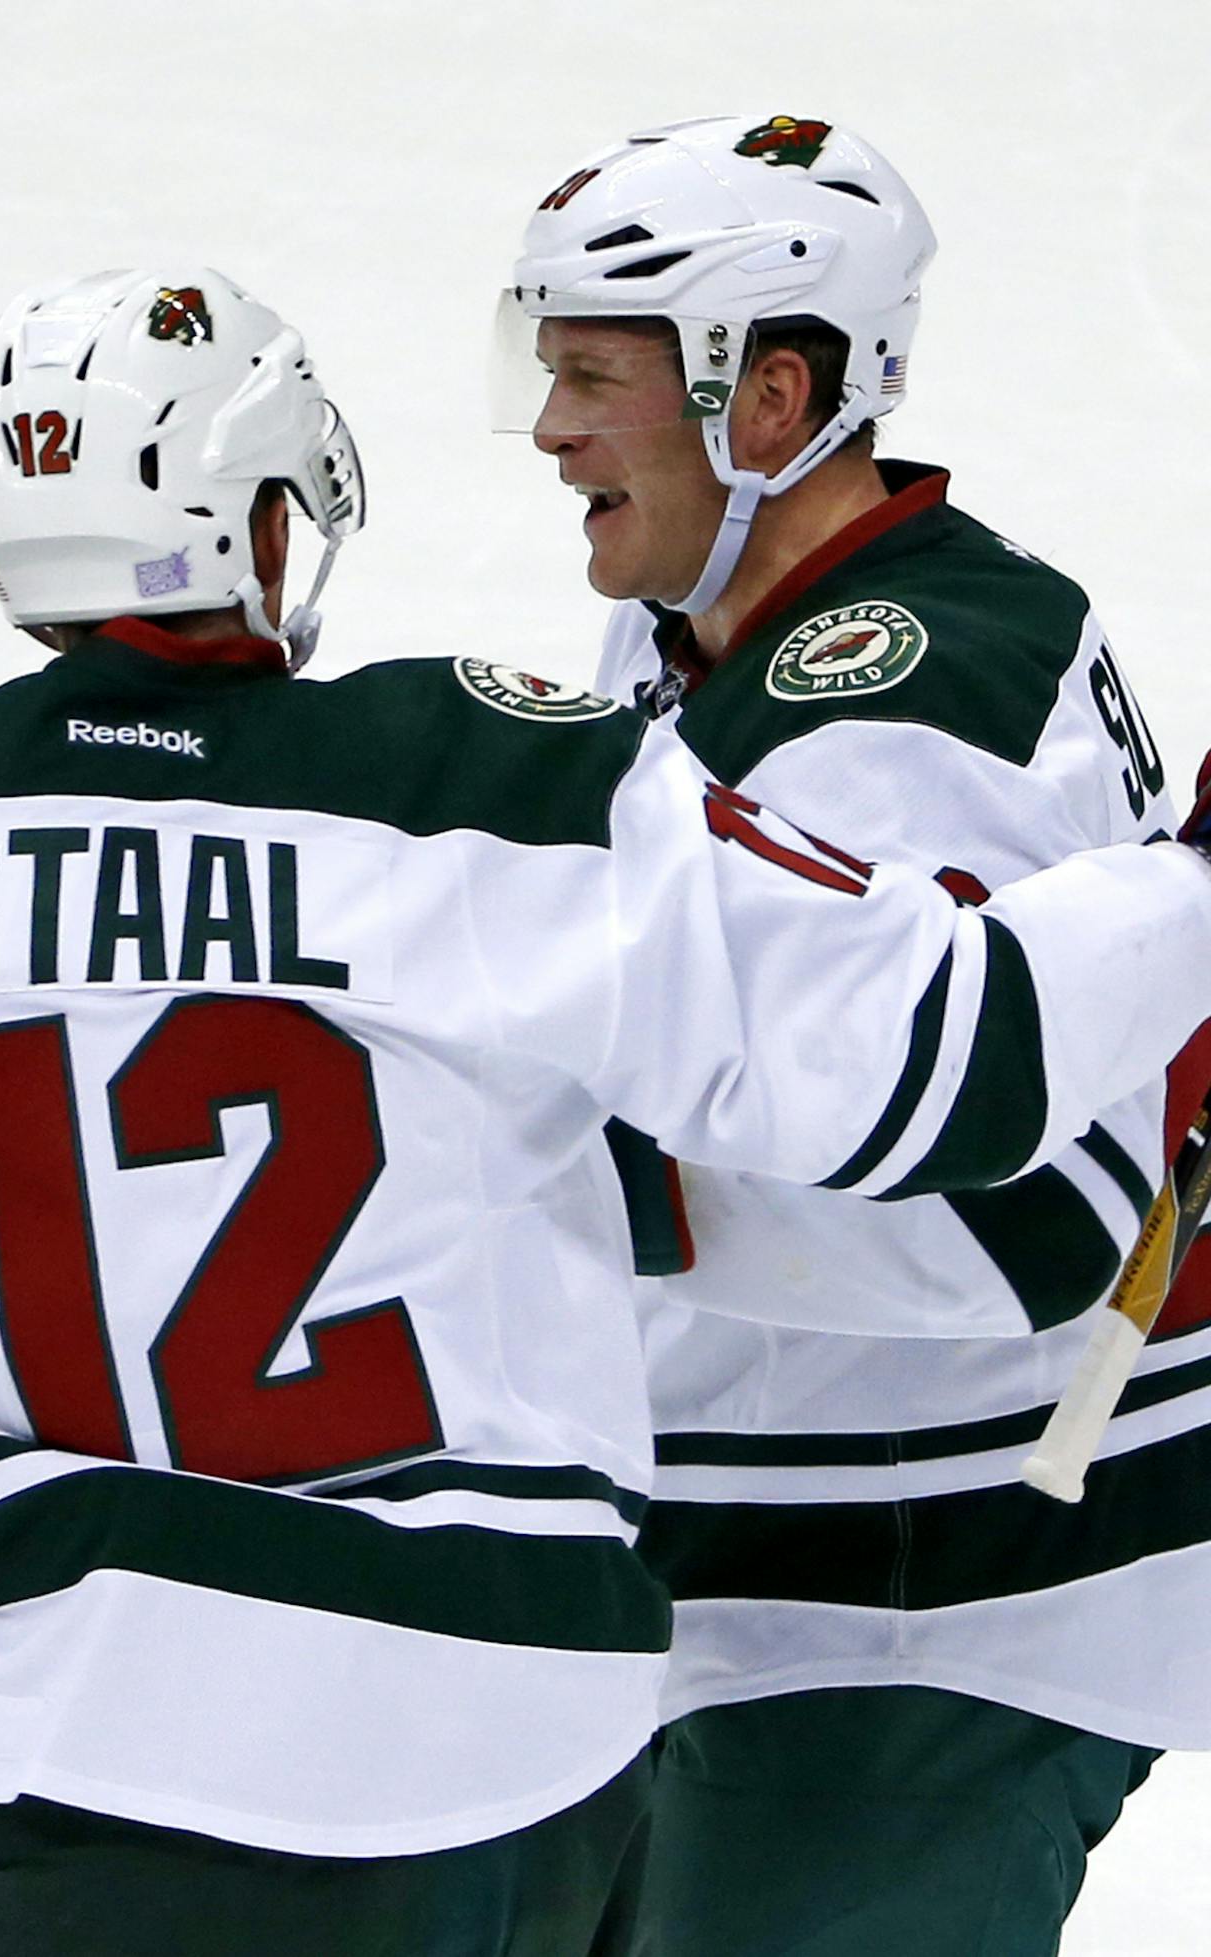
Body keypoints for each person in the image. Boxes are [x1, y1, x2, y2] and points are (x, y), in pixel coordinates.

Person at [0, 269, 1210, 1957]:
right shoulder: (488, 780)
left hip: (43, 1717)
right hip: (487, 1751)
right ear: (261, 521)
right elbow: (958, 1047)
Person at [503, 114, 1211, 1954]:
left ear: (766, 396)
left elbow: (1015, 1224)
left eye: (596, 377)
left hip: (934, 1607)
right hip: (772, 1587)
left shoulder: (902, 706)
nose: (551, 429)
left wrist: (533, 1177)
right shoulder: (714, 638)